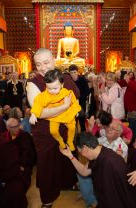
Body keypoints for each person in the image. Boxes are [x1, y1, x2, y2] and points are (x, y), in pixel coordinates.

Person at [26, 48, 79, 207]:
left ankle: (68, 183)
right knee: (47, 163)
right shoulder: (33, 83)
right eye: (38, 64)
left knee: (67, 155)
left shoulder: (66, 78)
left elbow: (75, 96)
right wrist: (64, 108)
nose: (42, 67)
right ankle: (47, 198)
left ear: (54, 61)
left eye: (46, 62)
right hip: (45, 131)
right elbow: (40, 112)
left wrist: (70, 110)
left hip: (66, 127)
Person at [60, 132, 136, 208]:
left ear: (85, 148)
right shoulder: (98, 154)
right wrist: (70, 156)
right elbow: (84, 171)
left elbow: (116, 194)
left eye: (81, 152)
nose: (82, 155)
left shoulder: (110, 162)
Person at [30, 68, 81, 151]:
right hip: (55, 116)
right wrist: (33, 114)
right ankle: (60, 141)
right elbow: (37, 104)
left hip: (67, 113)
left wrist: (76, 111)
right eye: (49, 88)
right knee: (53, 131)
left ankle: (70, 141)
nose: (52, 91)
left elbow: (73, 101)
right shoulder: (43, 96)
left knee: (72, 128)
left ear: (62, 84)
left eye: (55, 88)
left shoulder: (67, 92)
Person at [3, 118, 36, 187]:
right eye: (13, 127)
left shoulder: (24, 135)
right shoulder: (4, 136)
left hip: (24, 163)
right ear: (7, 128)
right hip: (10, 164)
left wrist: (22, 165)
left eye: (17, 126)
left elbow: (27, 153)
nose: (16, 128)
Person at [69, 64, 90, 131]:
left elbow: (87, 91)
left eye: (75, 72)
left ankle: (83, 136)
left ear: (77, 72)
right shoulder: (69, 81)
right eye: (71, 73)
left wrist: (79, 98)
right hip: (71, 104)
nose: (73, 74)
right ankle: (74, 137)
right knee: (73, 122)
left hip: (81, 103)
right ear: (70, 73)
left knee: (82, 121)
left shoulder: (82, 80)